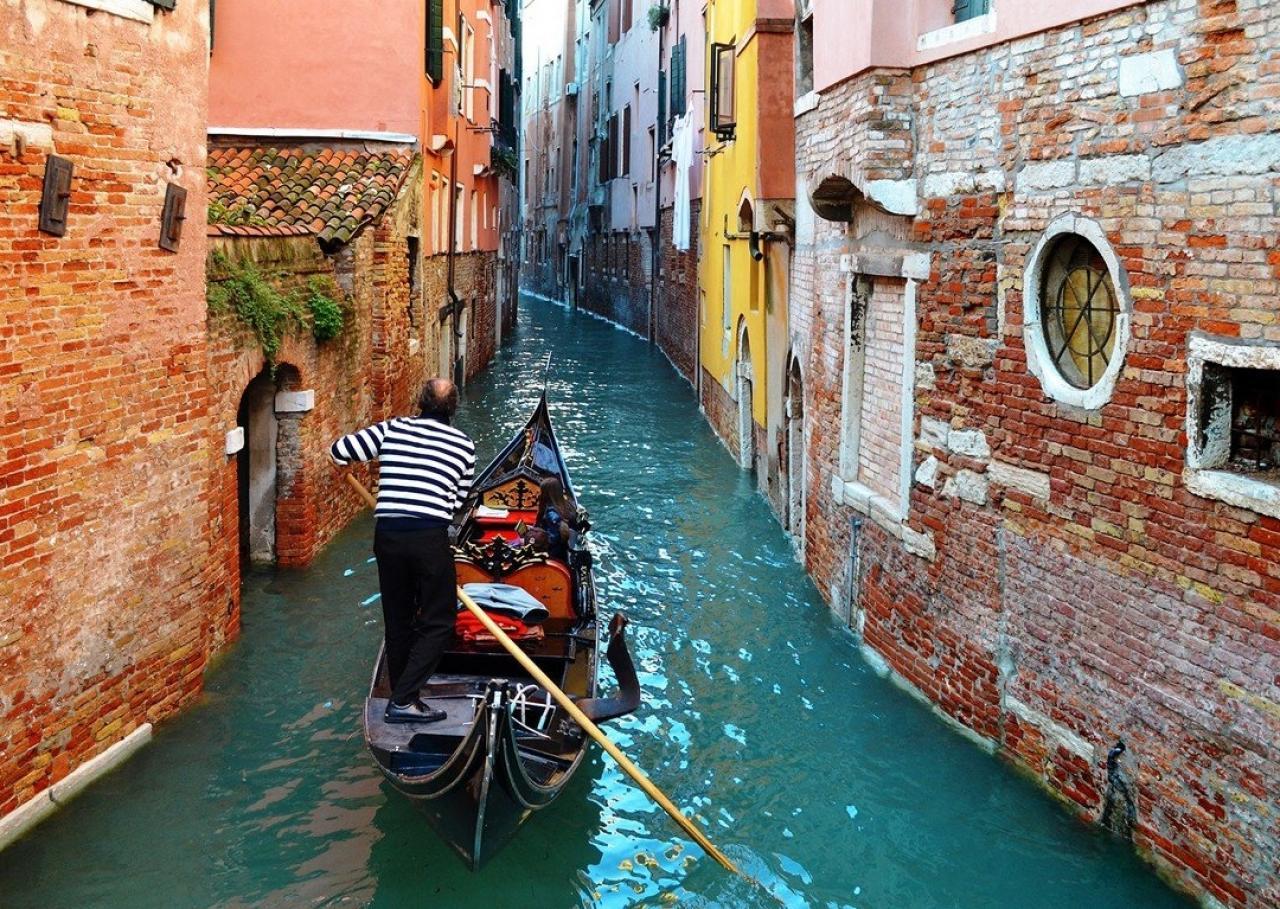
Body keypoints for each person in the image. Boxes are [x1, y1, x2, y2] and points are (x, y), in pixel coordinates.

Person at [331, 378, 476, 724]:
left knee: (398, 620)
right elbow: (457, 503)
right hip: (429, 536)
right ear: (453, 409)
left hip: (389, 536)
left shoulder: (393, 429)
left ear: (419, 402)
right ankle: (404, 698)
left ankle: (401, 697)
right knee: (439, 621)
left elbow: (338, 451)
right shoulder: (464, 446)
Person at [528, 475, 576, 563]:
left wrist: (531, 538)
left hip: (551, 554)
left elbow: (551, 540)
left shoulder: (551, 514)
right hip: (562, 551)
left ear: (546, 494)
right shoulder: (567, 505)